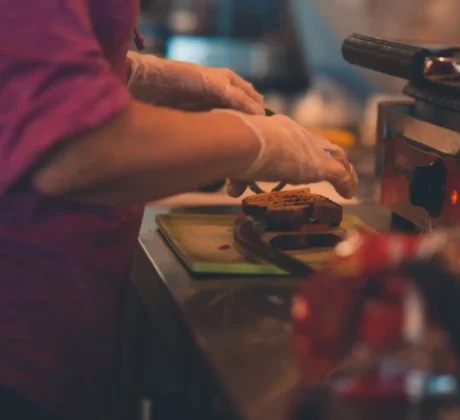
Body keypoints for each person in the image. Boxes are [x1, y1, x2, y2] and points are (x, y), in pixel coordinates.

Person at [0, 1, 357, 420]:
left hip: (65, 325)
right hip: (20, 342)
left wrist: (138, 75)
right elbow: (73, 151)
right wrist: (257, 143)